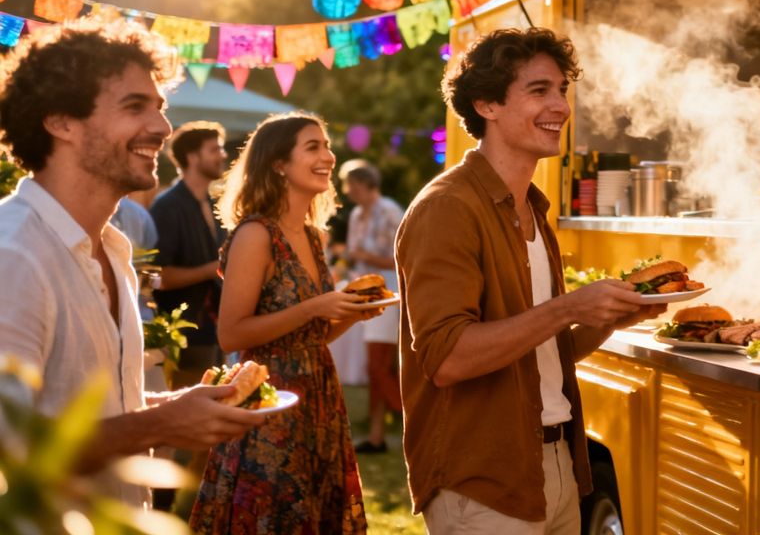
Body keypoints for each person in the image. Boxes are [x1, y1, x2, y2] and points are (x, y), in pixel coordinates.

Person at [398, 28, 660, 533]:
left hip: (555, 465)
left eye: (562, 90)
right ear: (487, 104)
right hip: (482, 476)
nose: (561, 106)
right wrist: (568, 308)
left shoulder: (533, 209)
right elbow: (448, 358)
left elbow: (538, 353)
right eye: (540, 91)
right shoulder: (447, 208)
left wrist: (608, 319)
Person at [0, 22, 264, 509]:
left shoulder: (115, 250)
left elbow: (105, 411)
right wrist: (159, 424)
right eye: (134, 106)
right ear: (62, 123)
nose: (163, 127)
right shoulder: (14, 255)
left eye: (159, 108)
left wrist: (184, 409)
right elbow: (11, 452)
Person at [190, 112, 376, 533]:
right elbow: (233, 333)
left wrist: (352, 313)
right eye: (313, 146)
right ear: (278, 164)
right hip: (269, 398)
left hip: (319, 394)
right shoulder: (256, 234)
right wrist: (315, 307)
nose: (328, 155)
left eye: (327, 145)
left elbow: (312, 335)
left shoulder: (313, 236)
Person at [150, 121, 229, 389]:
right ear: (193, 157)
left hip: (216, 329)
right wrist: (212, 269)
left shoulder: (214, 203)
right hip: (184, 335)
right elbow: (158, 276)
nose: (223, 155)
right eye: (214, 149)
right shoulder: (167, 206)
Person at [338, 157, 404, 454]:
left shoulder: (390, 211)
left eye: (350, 184)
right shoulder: (356, 215)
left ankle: (409, 416)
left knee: (377, 364)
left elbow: (405, 257)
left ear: (365, 183)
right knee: (374, 365)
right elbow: (355, 255)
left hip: (388, 293)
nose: (347, 190)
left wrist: (365, 256)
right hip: (363, 294)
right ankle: (377, 435)